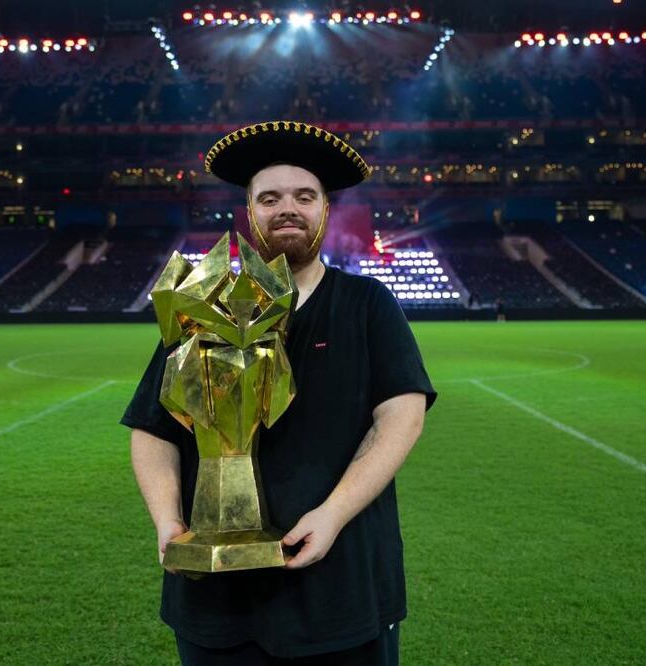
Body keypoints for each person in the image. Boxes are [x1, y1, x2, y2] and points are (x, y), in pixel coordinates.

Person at [121, 120, 437, 665]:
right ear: (249, 213)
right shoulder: (205, 307)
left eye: (304, 196)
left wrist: (333, 513)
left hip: (343, 585)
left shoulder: (367, 303)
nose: (287, 208)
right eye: (269, 198)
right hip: (215, 597)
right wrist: (168, 521)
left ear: (324, 212)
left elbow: (401, 417)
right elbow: (154, 429)